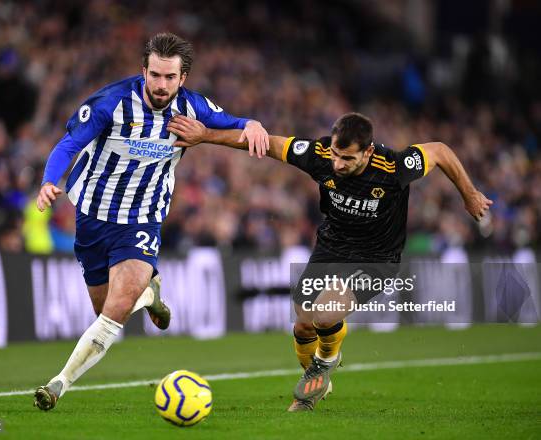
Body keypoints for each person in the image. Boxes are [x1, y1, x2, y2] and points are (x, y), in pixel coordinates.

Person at [166, 112, 492, 411]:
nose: (337, 164)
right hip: (331, 249)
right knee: (303, 324)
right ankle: (320, 371)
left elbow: (439, 151)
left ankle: (324, 365)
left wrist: (469, 194)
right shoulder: (320, 155)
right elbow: (264, 144)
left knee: (325, 313)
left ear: (368, 152)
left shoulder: (394, 166)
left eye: (347, 158)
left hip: (377, 259)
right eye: (335, 154)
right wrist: (206, 134)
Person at [33, 33, 269, 411]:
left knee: (113, 313)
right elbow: (68, 145)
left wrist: (253, 123)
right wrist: (49, 181)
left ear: (183, 77)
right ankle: (149, 293)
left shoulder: (193, 108)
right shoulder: (111, 102)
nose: (161, 85)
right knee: (106, 310)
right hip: (92, 216)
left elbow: (234, 122)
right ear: (144, 70)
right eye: (155, 75)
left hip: (142, 218)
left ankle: (58, 384)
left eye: (169, 77)